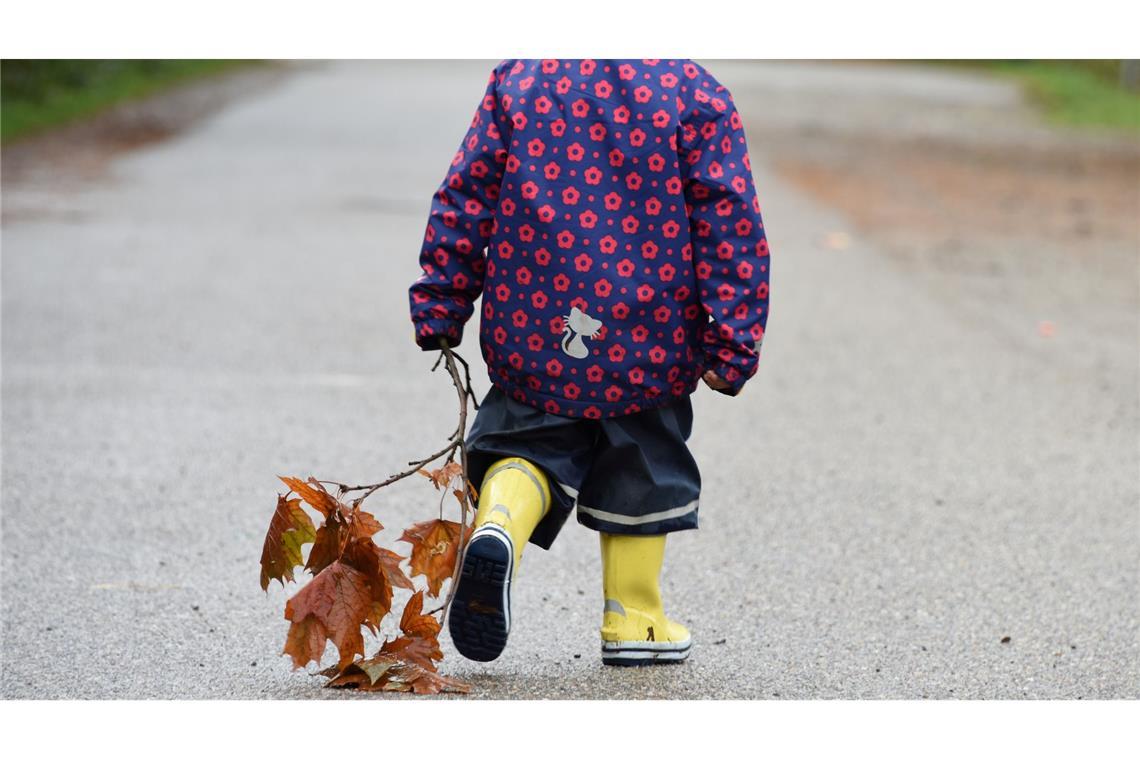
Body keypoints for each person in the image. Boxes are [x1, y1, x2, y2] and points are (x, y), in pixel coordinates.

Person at [408, 59, 770, 666]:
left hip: (534, 320)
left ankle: (500, 523)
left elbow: (467, 195)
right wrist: (734, 340)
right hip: (649, 334)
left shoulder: (520, 82)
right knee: (645, 465)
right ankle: (635, 619)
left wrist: (442, 299)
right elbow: (728, 219)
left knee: (526, 447)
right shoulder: (694, 93)